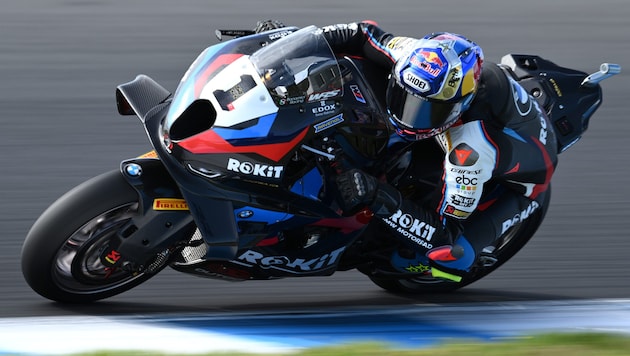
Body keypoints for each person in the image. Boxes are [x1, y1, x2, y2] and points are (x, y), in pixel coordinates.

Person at [256, 21, 559, 281]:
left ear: (458, 108)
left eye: (428, 111)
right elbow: (360, 32)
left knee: (451, 257)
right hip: (479, 118)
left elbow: (444, 231)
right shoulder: (413, 56)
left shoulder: (469, 153)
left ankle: (417, 266)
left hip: (522, 182)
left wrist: (377, 195)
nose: (411, 116)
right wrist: (289, 44)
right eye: (405, 97)